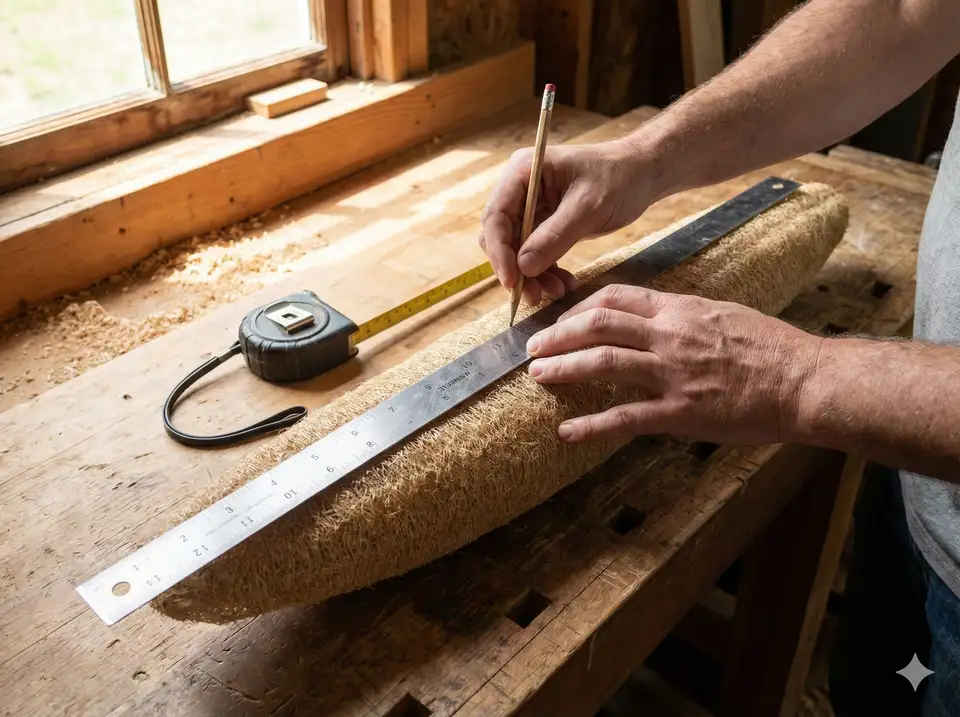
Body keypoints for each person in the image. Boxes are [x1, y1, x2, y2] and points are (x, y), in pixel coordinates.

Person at [478, 1, 960, 714]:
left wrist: (800, 375)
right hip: (918, 480)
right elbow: (904, 13)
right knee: (869, 690)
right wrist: (642, 159)